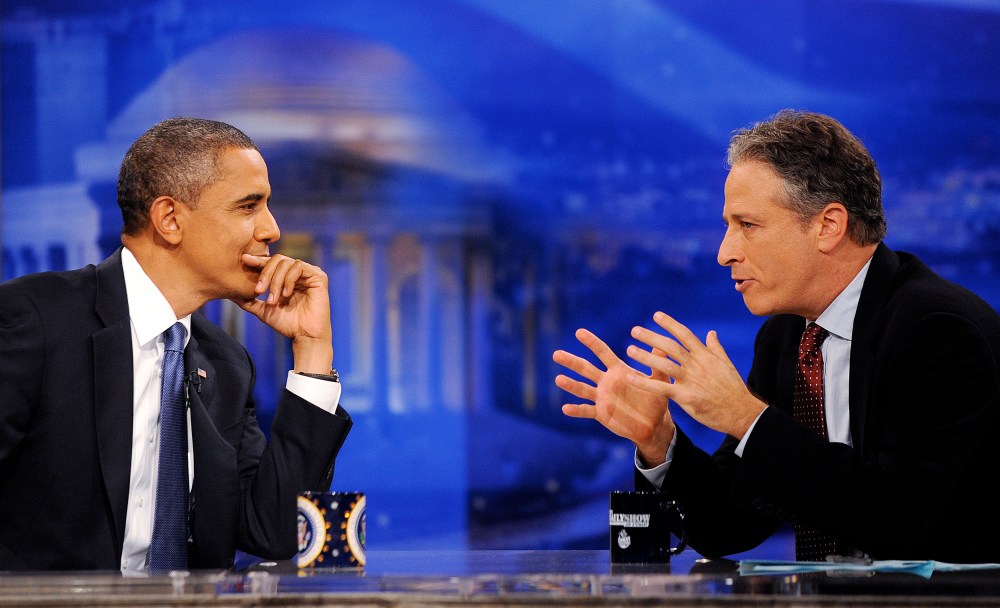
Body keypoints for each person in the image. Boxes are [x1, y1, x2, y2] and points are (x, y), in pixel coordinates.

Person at [553, 110, 1000, 563]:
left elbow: (897, 522)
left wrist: (748, 419)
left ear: (828, 226)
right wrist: (659, 440)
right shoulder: (786, 336)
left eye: (747, 225)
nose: (724, 252)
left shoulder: (938, 332)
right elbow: (729, 524)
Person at [0, 117, 353, 573]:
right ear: (169, 220)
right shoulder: (36, 320)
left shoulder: (226, 364)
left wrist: (312, 351)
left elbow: (274, 533)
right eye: (249, 207)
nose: (271, 229)